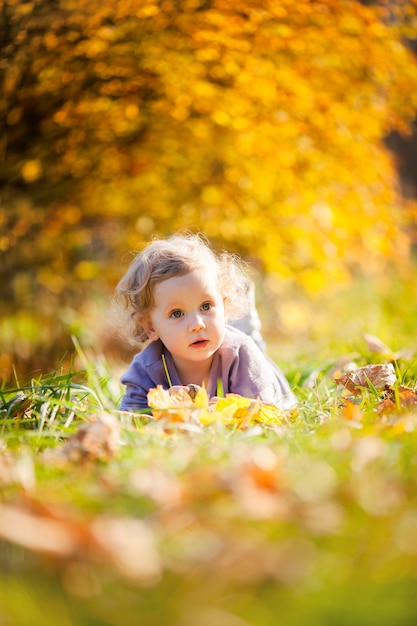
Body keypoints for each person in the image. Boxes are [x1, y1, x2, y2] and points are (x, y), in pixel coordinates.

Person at [114, 232, 296, 412]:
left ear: (223, 305)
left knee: (251, 343)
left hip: (256, 370)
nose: (197, 324)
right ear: (150, 326)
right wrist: (163, 407)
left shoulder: (243, 354)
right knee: (242, 336)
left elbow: (264, 413)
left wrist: (220, 410)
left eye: (206, 305)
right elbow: (130, 418)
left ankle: (243, 313)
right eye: (177, 313)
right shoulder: (145, 368)